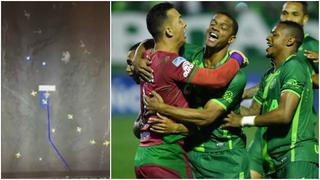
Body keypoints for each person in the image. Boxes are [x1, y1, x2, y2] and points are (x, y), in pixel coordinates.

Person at [134, 3, 247, 178]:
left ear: (231, 39)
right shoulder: (183, 56)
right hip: (184, 155)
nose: (185, 24)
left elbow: (209, 116)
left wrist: (173, 120)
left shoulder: (236, 77)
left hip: (226, 158)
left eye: (223, 27)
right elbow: (157, 37)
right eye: (213, 23)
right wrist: (137, 56)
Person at [223, 21, 318, 178]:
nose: (268, 38)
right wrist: (223, 104)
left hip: (297, 156)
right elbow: (252, 111)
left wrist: (242, 122)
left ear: (290, 41)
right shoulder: (269, 75)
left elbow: (284, 115)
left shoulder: (294, 66)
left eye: (274, 35)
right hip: (274, 161)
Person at [242, 1, 319, 99]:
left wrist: (298, 80)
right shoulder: (278, 45)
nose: (288, 18)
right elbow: (274, 81)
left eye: (295, 14)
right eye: (284, 13)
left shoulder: (311, 44)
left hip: (299, 112)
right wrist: (244, 94)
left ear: (304, 19)